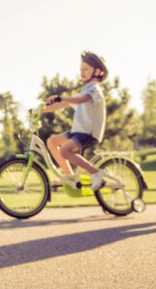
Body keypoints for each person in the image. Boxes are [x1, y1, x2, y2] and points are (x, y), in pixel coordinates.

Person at [40, 51, 108, 191]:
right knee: (52, 142)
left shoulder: (94, 90)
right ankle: (70, 177)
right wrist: (39, 110)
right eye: (81, 69)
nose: (82, 72)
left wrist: (62, 97)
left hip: (89, 132)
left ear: (98, 71)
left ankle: (96, 173)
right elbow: (61, 105)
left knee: (64, 151)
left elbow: (83, 99)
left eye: (86, 69)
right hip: (78, 131)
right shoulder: (85, 89)